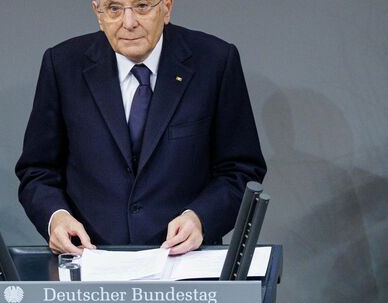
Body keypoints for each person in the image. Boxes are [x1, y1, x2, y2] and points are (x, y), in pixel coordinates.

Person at [15, 0, 266, 256]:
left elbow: (241, 169)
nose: (129, 22)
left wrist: (201, 217)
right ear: (98, 13)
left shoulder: (215, 61)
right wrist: (56, 217)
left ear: (166, 8)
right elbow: (37, 170)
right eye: (114, 8)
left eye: (142, 6)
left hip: (186, 262)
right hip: (91, 260)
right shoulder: (62, 65)